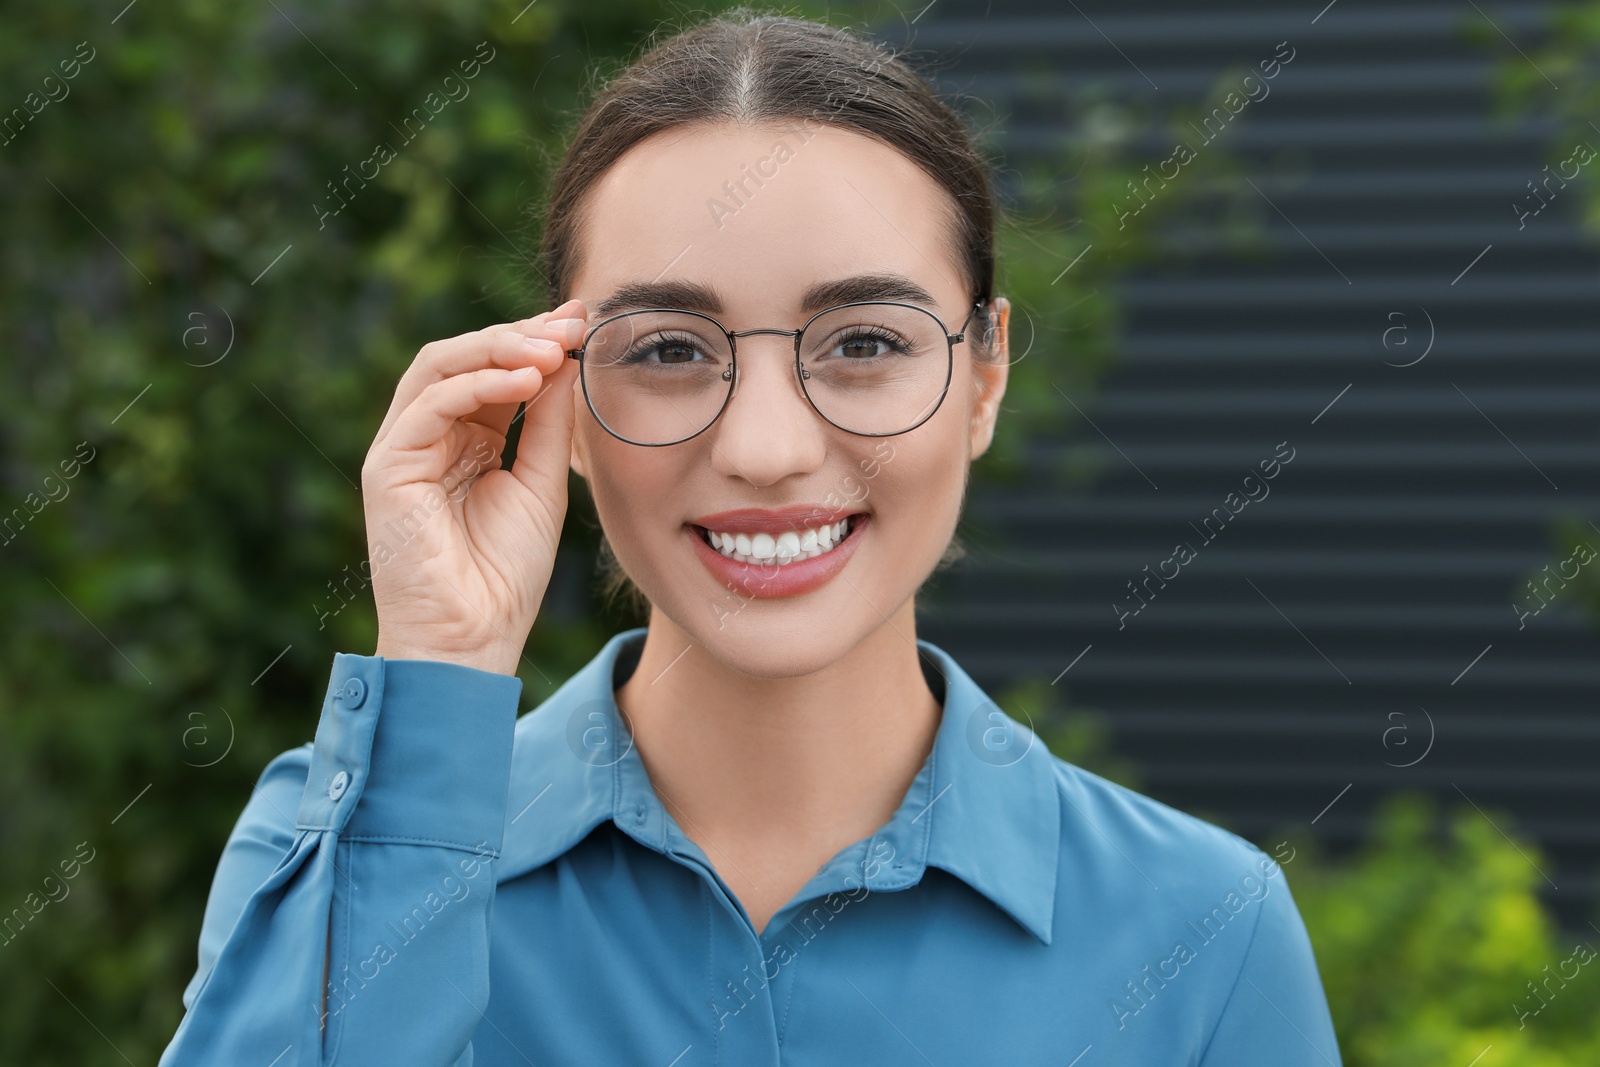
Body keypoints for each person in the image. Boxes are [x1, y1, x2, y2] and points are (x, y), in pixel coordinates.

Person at [159, 11, 1343, 1065]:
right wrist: (439, 663)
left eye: (865, 342)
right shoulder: (341, 848)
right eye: (670, 349)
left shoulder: (1205, 929)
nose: (767, 446)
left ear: (983, 374)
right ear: (558, 399)